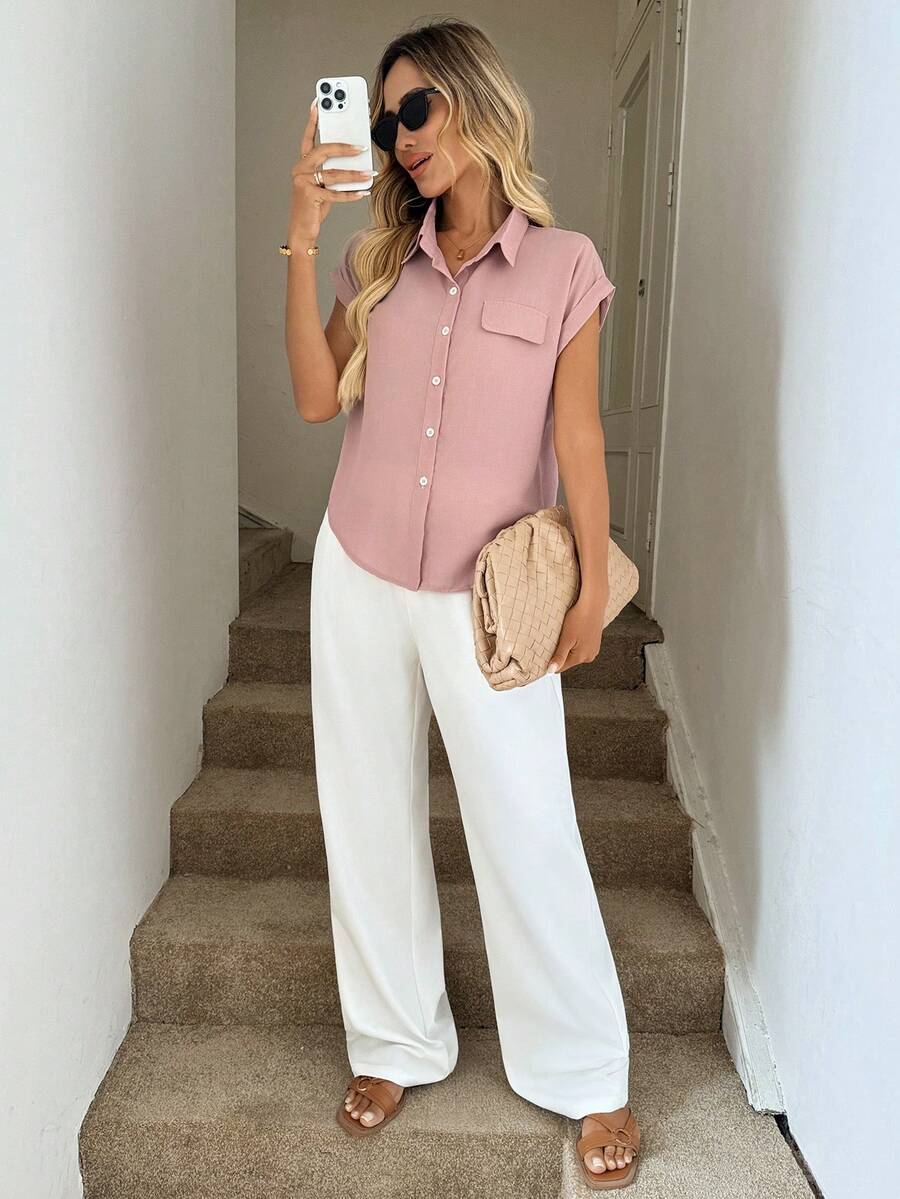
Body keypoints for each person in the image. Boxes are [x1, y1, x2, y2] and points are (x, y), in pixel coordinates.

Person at [283, 18, 640, 1190]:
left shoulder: (567, 266)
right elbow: (313, 400)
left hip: (490, 596)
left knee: (527, 820)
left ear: (477, 101)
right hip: (360, 566)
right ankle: (394, 1040)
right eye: (386, 117)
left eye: (417, 108)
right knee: (366, 810)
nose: (399, 135)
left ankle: (586, 1067)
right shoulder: (376, 262)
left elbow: (577, 438)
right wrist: (304, 238)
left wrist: (592, 586)